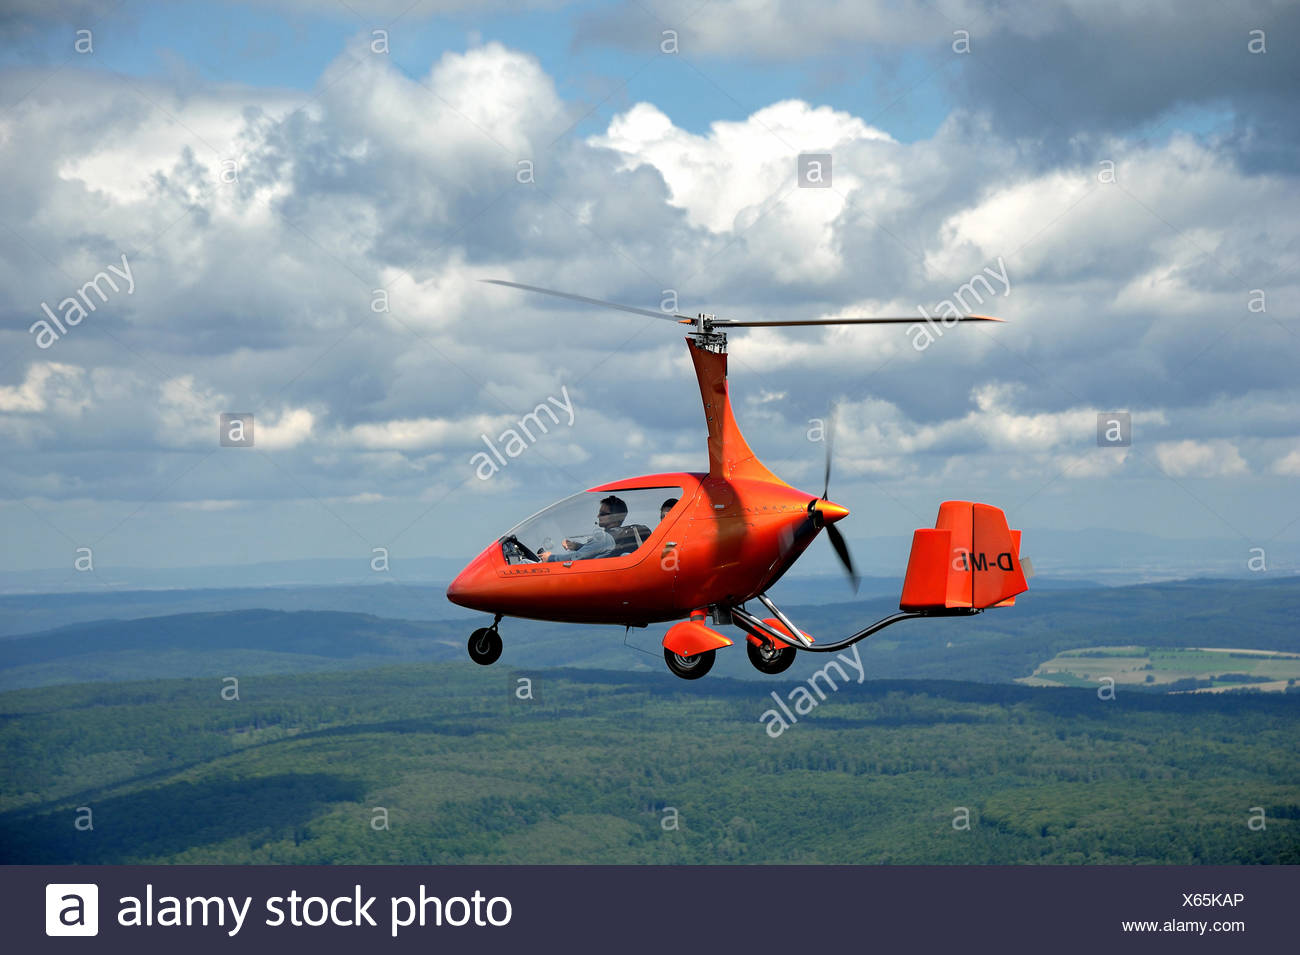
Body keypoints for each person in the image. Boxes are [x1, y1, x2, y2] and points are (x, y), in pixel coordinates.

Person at [539, 495, 626, 561]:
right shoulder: (616, 536)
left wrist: (550, 557)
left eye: (603, 514)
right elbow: (595, 549)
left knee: (525, 563)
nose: (598, 516)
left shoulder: (604, 538)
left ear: (615, 517)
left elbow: (576, 557)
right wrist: (576, 546)